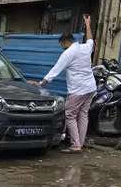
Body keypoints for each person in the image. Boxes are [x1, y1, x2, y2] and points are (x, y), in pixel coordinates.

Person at [38, 15, 96, 152]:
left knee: (70, 114)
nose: (61, 47)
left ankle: (75, 145)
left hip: (78, 90)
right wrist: (88, 24)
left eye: (61, 45)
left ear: (65, 42)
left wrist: (42, 83)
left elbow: (55, 69)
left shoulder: (68, 53)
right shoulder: (84, 48)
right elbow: (90, 39)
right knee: (83, 114)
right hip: (90, 88)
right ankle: (80, 143)